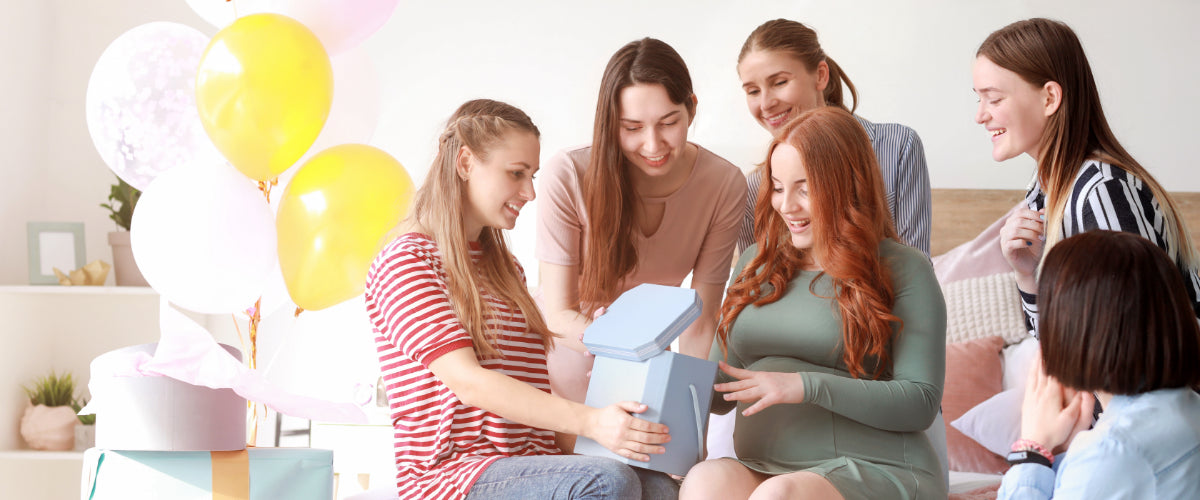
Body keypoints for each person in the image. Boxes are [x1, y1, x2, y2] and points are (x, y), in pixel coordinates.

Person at [365, 99, 678, 500]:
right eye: (516, 174)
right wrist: (593, 423)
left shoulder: (505, 268)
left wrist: (620, 436)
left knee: (657, 487)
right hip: (452, 477)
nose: (530, 192)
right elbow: (471, 384)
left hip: (528, 463)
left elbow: (531, 396)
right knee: (608, 482)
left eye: (532, 175)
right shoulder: (407, 263)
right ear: (465, 163)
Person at [679, 107, 946, 500]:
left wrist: (804, 386)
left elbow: (920, 401)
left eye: (805, 188)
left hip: (875, 468)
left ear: (847, 185)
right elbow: (719, 393)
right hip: (766, 468)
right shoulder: (754, 262)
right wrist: (652, 365)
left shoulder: (904, 268)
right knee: (704, 481)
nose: (787, 206)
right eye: (778, 187)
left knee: (778, 496)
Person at [536, 38, 747, 410]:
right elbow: (557, 313)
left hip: (647, 365)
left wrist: (689, 409)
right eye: (631, 128)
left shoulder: (723, 183)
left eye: (668, 123)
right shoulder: (569, 173)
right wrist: (622, 349)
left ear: (691, 110)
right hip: (563, 361)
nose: (653, 145)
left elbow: (701, 319)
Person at [973, 17, 1200, 338]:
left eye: (994, 99)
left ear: (1050, 98)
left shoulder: (1102, 191)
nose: (980, 115)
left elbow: (1134, 349)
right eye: (978, 98)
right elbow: (1060, 353)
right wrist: (1028, 277)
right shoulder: (1043, 193)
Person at [997, 230, 1200, 499]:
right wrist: (1060, 455)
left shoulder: (1113, 451)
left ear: (1073, 328)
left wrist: (1032, 451)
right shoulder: (1187, 411)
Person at [735, 18, 931, 257]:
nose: (766, 104)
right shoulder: (754, 190)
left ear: (820, 75)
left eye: (780, 82)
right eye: (753, 91)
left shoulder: (896, 147)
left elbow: (916, 266)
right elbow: (755, 283)